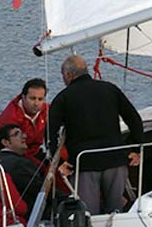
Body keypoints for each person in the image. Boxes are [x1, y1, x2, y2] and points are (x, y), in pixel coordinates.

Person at [48, 54, 144, 215]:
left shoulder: (63, 98)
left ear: (69, 75)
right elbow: (134, 119)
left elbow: (50, 134)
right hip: (115, 161)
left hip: (84, 164)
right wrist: (136, 147)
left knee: (88, 214)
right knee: (116, 211)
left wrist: (59, 163)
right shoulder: (110, 89)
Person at [0, 78, 49, 165]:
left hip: (33, 153)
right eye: (32, 98)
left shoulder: (46, 110)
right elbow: (13, 148)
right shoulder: (10, 118)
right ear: (23, 97)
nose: (36, 103)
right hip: (9, 157)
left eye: (40, 99)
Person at [0, 123, 45, 214]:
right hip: (30, 213)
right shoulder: (20, 164)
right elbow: (40, 189)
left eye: (22, 133)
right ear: (6, 142)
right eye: (17, 134)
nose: (24, 136)